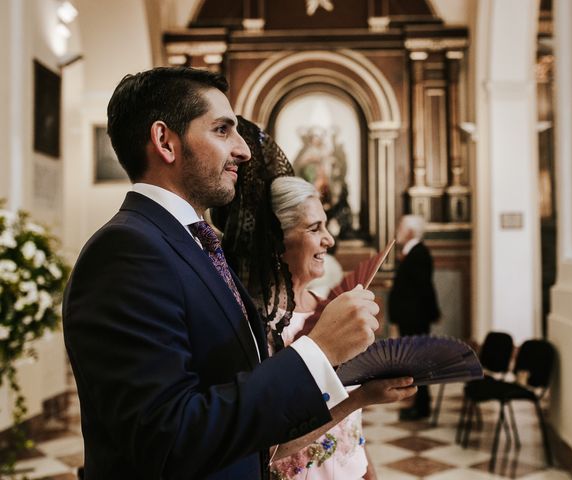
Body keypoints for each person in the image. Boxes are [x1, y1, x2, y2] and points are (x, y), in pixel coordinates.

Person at [62, 67, 383, 480]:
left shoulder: (194, 243)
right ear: (165, 141)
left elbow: (233, 398)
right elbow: (168, 436)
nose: (244, 150)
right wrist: (317, 351)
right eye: (222, 130)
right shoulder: (126, 251)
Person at [212, 124, 416, 479]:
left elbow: (351, 429)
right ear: (276, 242)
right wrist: (361, 398)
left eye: (326, 226)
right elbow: (267, 450)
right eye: (313, 229)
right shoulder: (253, 328)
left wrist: (369, 472)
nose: (329, 240)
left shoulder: (330, 307)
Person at [388, 214, 441, 421]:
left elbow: (424, 288)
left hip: (415, 318)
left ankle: (421, 407)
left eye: (399, 227)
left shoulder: (419, 253)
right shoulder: (413, 253)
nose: (396, 230)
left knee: (418, 363)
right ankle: (417, 405)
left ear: (409, 231)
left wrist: (432, 312)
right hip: (410, 318)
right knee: (413, 362)